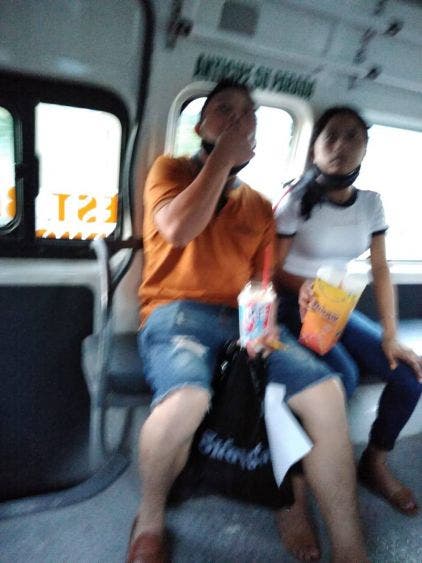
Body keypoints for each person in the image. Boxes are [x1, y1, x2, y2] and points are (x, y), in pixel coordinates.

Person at [128, 82, 368, 562]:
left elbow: (261, 279)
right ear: (200, 126)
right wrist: (223, 157)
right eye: (224, 111)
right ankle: (149, 521)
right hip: (176, 313)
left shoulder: (258, 206)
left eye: (247, 115)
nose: (238, 120)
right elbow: (177, 229)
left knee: (327, 391)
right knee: (187, 399)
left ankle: (349, 545)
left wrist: (275, 312)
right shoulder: (170, 171)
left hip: (243, 319)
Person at [274, 105, 422, 558]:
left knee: (409, 377)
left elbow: (380, 270)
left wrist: (391, 336)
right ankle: (294, 487)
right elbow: (272, 269)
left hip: (336, 306)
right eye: (331, 136)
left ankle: (373, 463)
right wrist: (305, 289)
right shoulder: (295, 200)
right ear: (315, 148)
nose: (341, 145)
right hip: (292, 304)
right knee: (342, 379)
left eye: (352, 136)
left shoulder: (371, 204)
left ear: (365, 147)